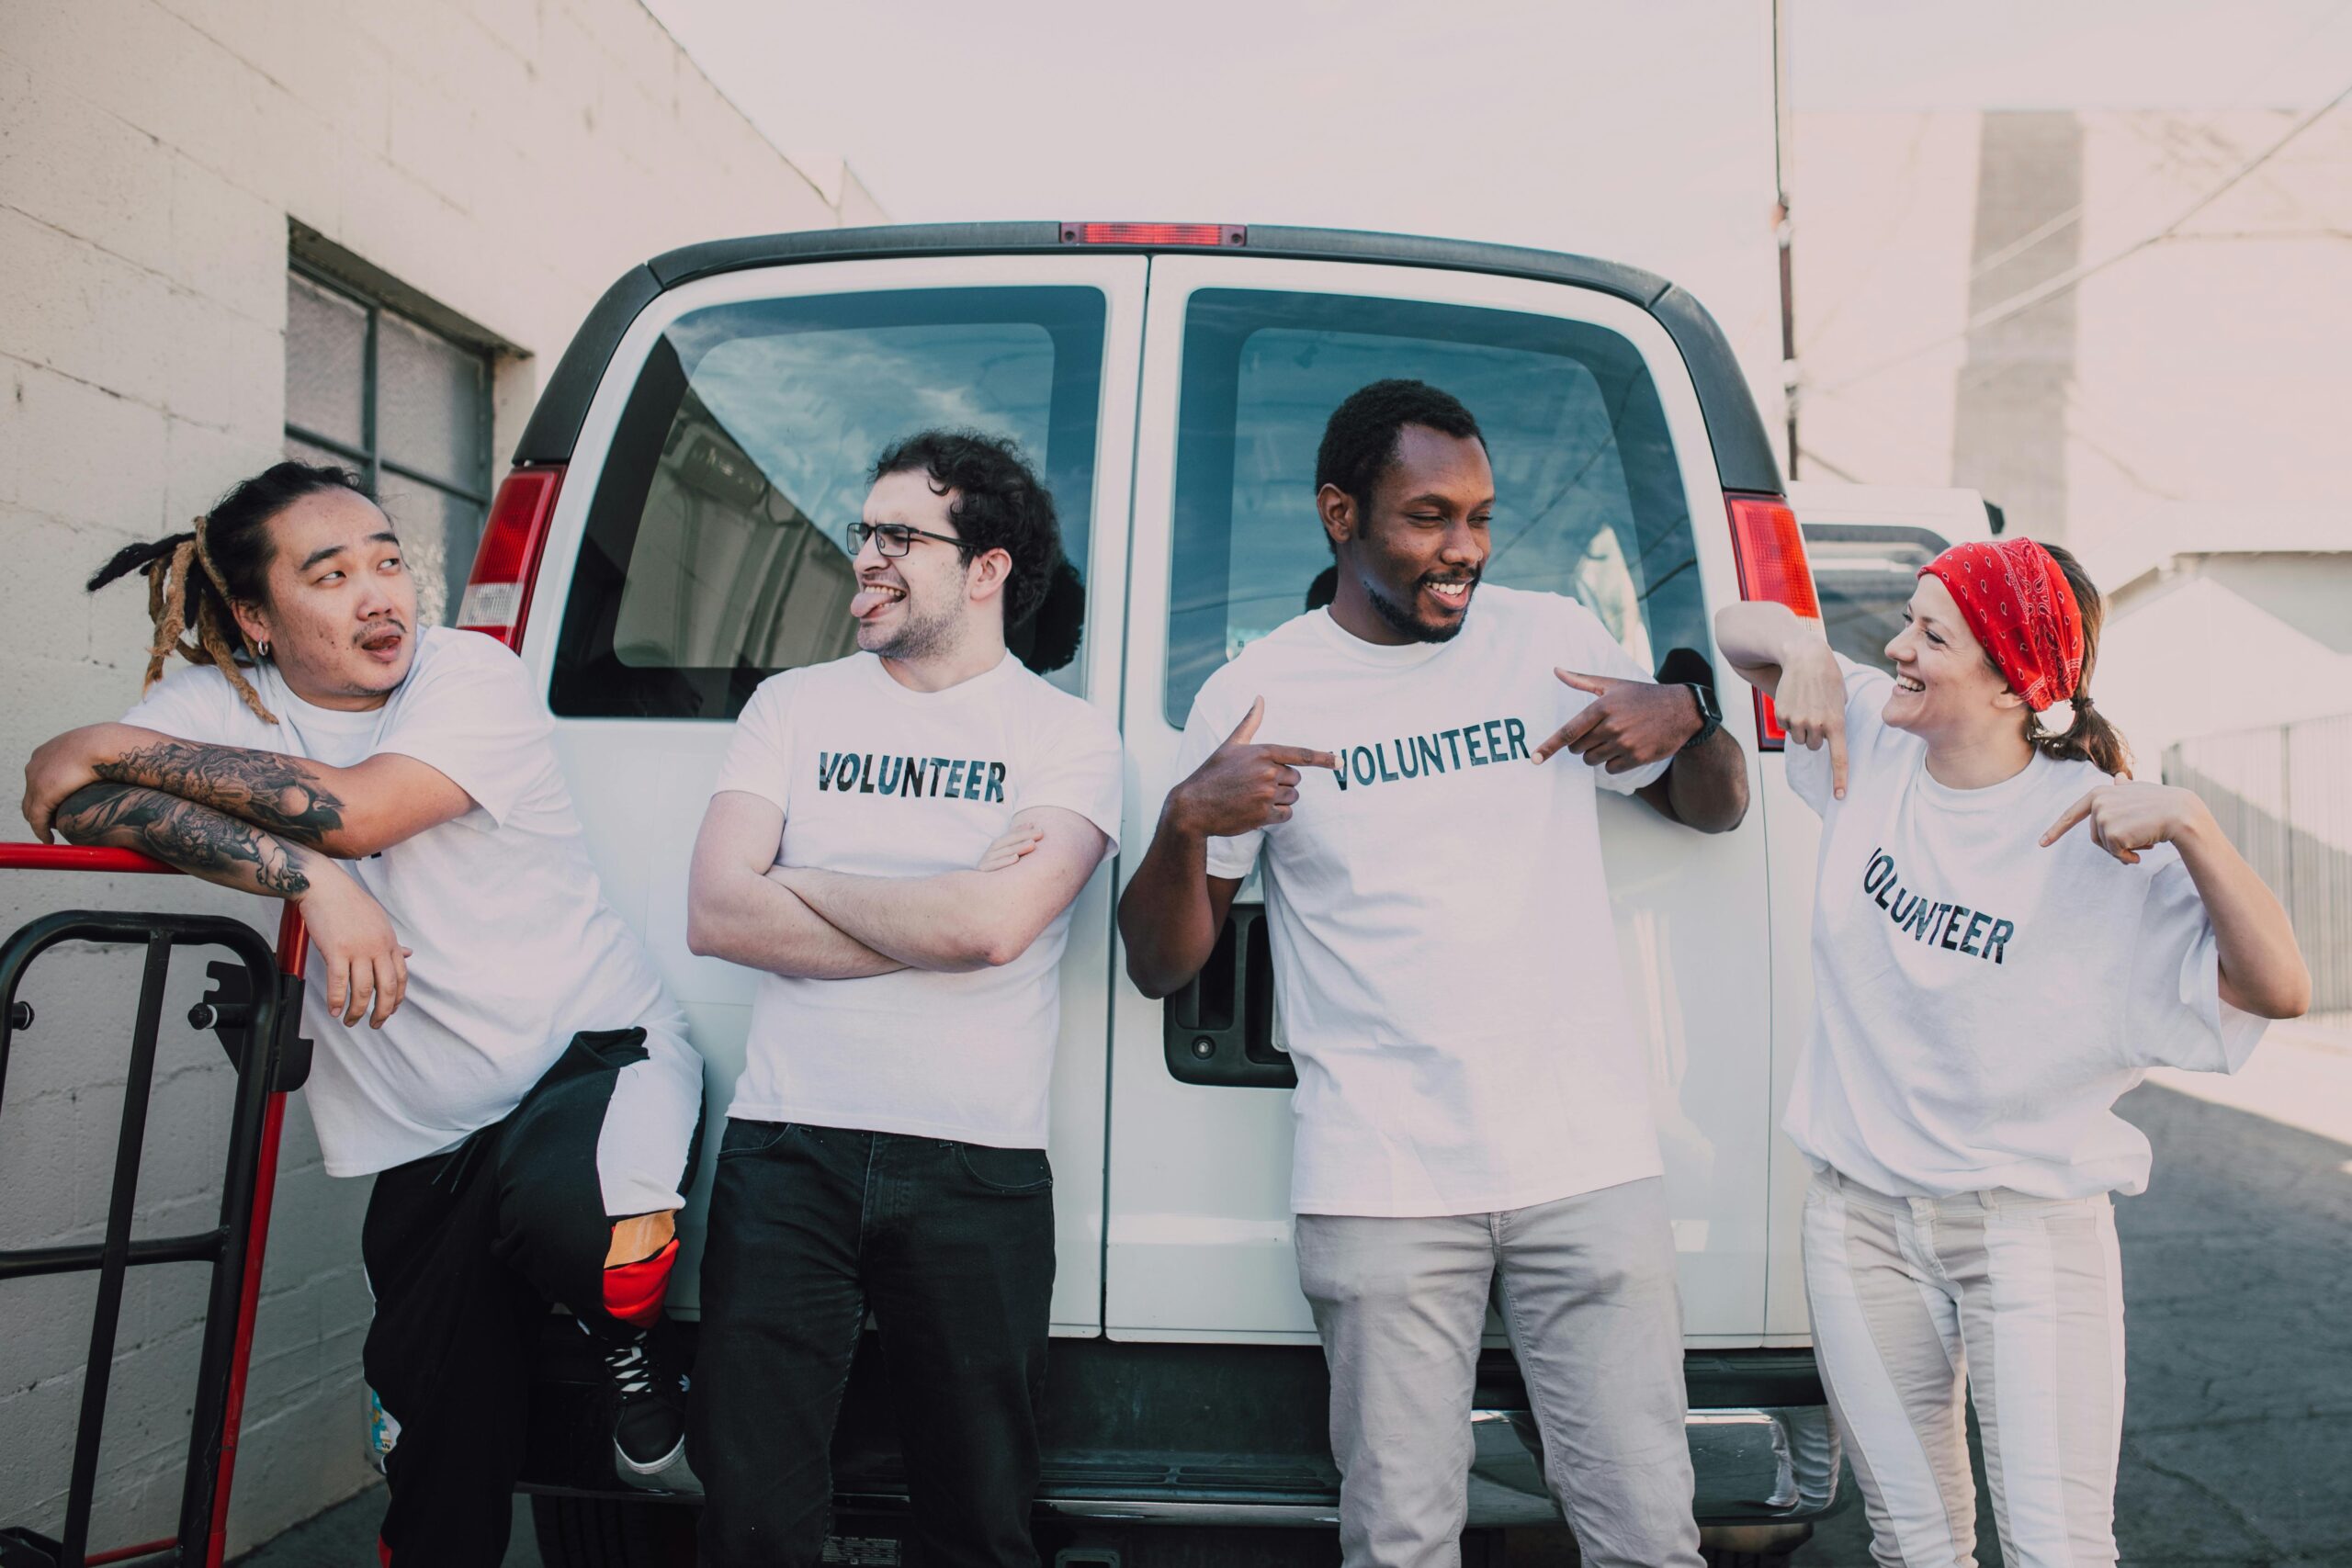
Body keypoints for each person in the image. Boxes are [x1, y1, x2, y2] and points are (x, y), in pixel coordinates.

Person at [19, 462, 707, 1567]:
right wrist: (315, 886)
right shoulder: (224, 706)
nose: (379, 595)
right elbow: (65, 787)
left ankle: (632, 1353)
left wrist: (127, 758)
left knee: (582, 1218)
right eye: (331, 575)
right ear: (254, 616)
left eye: (389, 562)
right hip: (423, 1135)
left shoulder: (468, 672)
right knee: (435, 1465)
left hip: (589, 1057)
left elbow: (357, 809)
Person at [1119, 379, 1748, 1568]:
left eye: (1479, 516)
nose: (1463, 549)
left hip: (1588, 1164)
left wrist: (1691, 716)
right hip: (1386, 1179)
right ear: (1338, 513)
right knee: (1401, 1540)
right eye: (1427, 517)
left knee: (1651, 1535)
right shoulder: (1260, 693)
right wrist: (1185, 818)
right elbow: (1162, 962)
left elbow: (1713, 809)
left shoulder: (1551, 638)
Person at [1715, 537, 2309, 1567]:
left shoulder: (2096, 834)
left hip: (2025, 1233)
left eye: (1930, 634)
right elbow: (1736, 628)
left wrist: (2197, 827)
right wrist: (1802, 646)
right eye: (1906, 619)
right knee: (1912, 1542)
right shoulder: (1872, 742)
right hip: (1857, 1221)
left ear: (2011, 684)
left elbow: (2278, 990)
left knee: (2056, 1549)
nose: (1897, 647)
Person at [684, 430, 1123, 1568]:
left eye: (898, 537)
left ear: (986, 569)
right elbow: (719, 915)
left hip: (976, 1167)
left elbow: (994, 929)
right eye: (862, 533)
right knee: (751, 1520)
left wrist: (806, 887)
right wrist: (940, 912)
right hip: (786, 1153)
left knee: (978, 1522)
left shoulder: (1066, 737)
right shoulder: (794, 707)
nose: (865, 560)